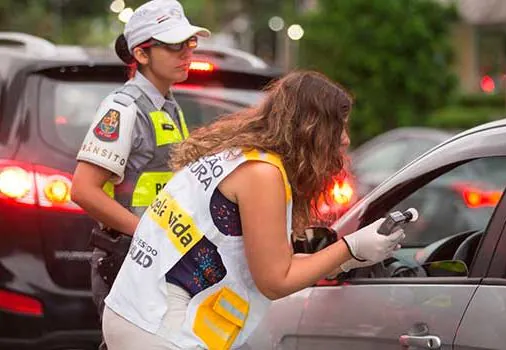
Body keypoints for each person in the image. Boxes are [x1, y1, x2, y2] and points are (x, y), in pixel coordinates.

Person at [102, 71, 406, 349]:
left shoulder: (242, 155)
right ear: (311, 128)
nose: (345, 139)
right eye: (337, 127)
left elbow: (269, 260)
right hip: (162, 329)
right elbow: (275, 280)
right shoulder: (263, 174)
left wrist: (344, 261)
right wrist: (349, 249)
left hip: (138, 312)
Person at [70, 1, 210, 349]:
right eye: (174, 45)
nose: (186, 52)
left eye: (190, 43)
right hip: (127, 259)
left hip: (157, 258)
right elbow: (83, 190)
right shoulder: (124, 107)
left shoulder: (169, 104)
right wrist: (149, 235)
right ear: (142, 54)